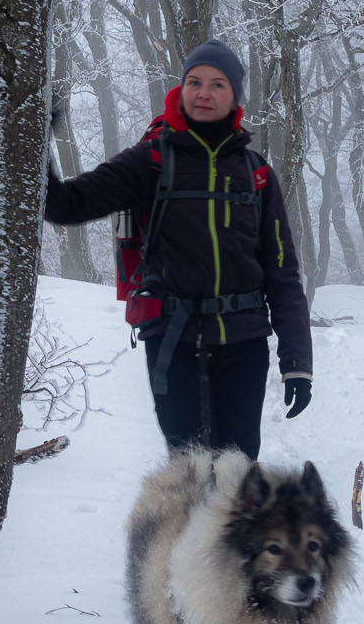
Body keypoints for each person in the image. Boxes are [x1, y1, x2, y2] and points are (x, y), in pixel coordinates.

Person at [45, 39, 312, 459]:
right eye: (194, 82)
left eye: (218, 84)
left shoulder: (257, 173)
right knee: (185, 469)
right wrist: (37, 137)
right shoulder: (151, 160)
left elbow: (282, 273)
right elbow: (64, 204)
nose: (204, 93)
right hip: (173, 339)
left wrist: (297, 361)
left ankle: (232, 528)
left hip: (244, 340)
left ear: (235, 96)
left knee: (238, 470)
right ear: (181, 88)